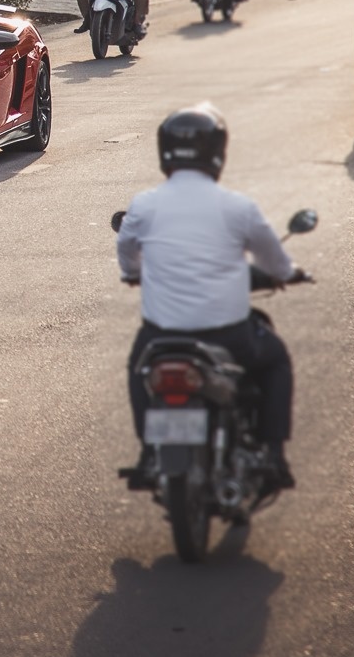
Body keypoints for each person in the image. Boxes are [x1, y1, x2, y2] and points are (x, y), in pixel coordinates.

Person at [117, 105, 305, 488]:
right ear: (218, 152)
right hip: (228, 337)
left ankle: (150, 453)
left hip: (161, 337)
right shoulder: (238, 207)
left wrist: (134, 274)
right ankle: (273, 455)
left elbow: (127, 253)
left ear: (164, 151)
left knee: (139, 371)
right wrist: (286, 275)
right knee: (275, 361)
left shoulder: (145, 205)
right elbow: (274, 259)